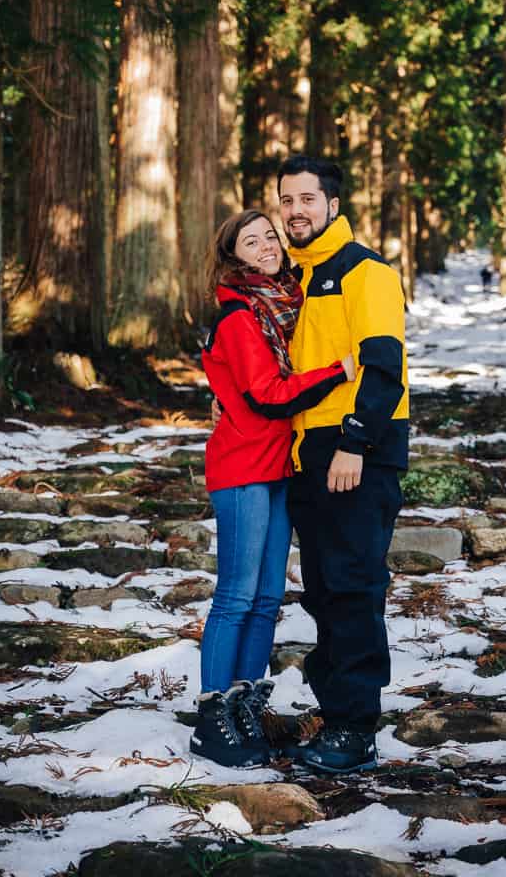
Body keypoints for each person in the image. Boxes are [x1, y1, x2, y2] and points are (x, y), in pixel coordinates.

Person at [191, 209, 356, 768]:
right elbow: (268, 394)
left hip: (279, 465)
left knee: (266, 600)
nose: (265, 245)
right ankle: (213, 719)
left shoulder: (283, 306)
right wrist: (339, 370)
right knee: (237, 596)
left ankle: (247, 709)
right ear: (233, 255)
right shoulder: (240, 316)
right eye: (250, 240)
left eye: (270, 236)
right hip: (242, 466)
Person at [277, 154, 409, 774]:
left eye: (307, 199)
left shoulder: (366, 272)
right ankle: (334, 715)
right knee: (326, 591)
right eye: (287, 201)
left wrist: (355, 442)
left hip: (358, 452)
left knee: (355, 589)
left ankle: (357, 729)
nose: (295, 211)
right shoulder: (295, 280)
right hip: (307, 455)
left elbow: (383, 366)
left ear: (333, 205)